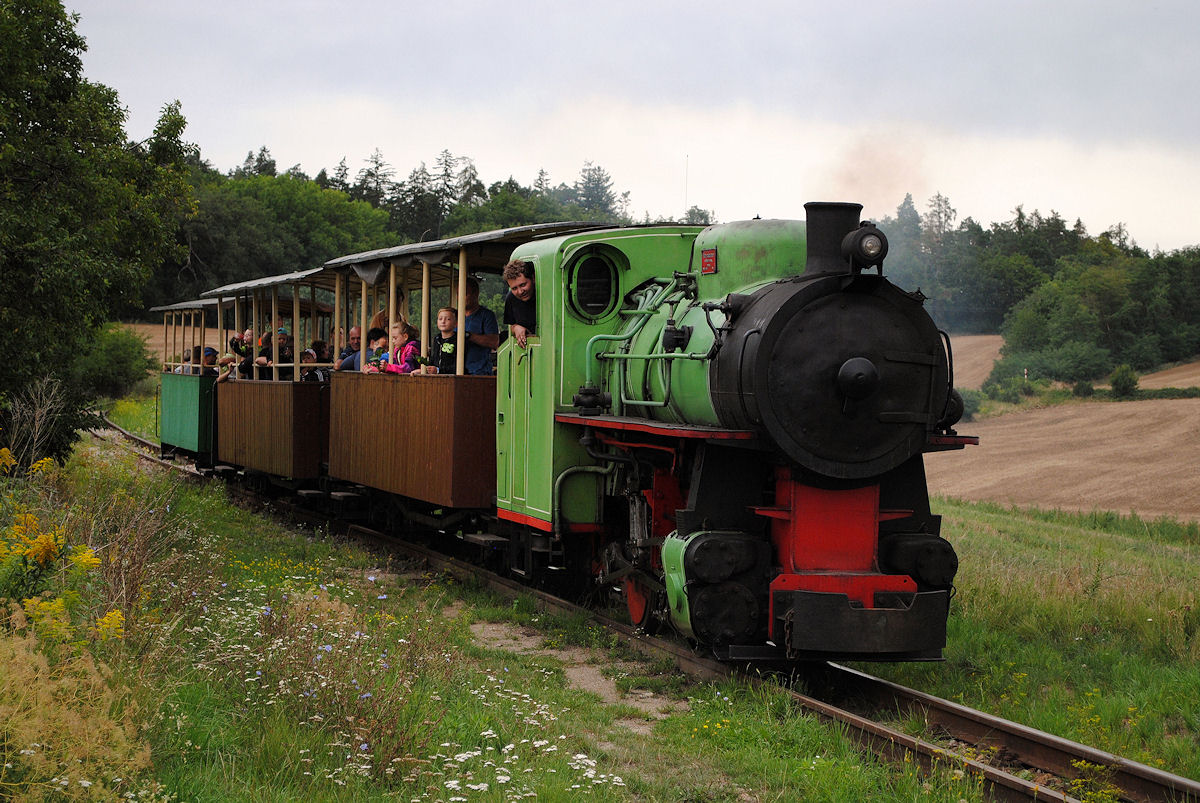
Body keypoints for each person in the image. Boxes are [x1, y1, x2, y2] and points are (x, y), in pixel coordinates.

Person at [461, 277, 499, 374]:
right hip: (456, 371)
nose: (460, 297)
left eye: (465, 293)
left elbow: (495, 342)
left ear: (476, 294)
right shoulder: (454, 316)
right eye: (458, 294)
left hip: (479, 372)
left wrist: (468, 336)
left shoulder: (487, 315)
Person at [502, 259, 536, 349]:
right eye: (514, 288)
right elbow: (511, 325)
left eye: (523, 285)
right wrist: (516, 328)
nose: (520, 291)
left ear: (533, 278)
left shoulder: (545, 293)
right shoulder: (510, 298)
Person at [430, 307, 458, 375]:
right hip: (436, 377)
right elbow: (434, 358)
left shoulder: (457, 340)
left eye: (448, 319)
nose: (443, 321)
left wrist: (439, 370)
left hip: (452, 378)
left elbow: (458, 365)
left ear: (456, 323)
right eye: (440, 319)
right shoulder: (437, 339)